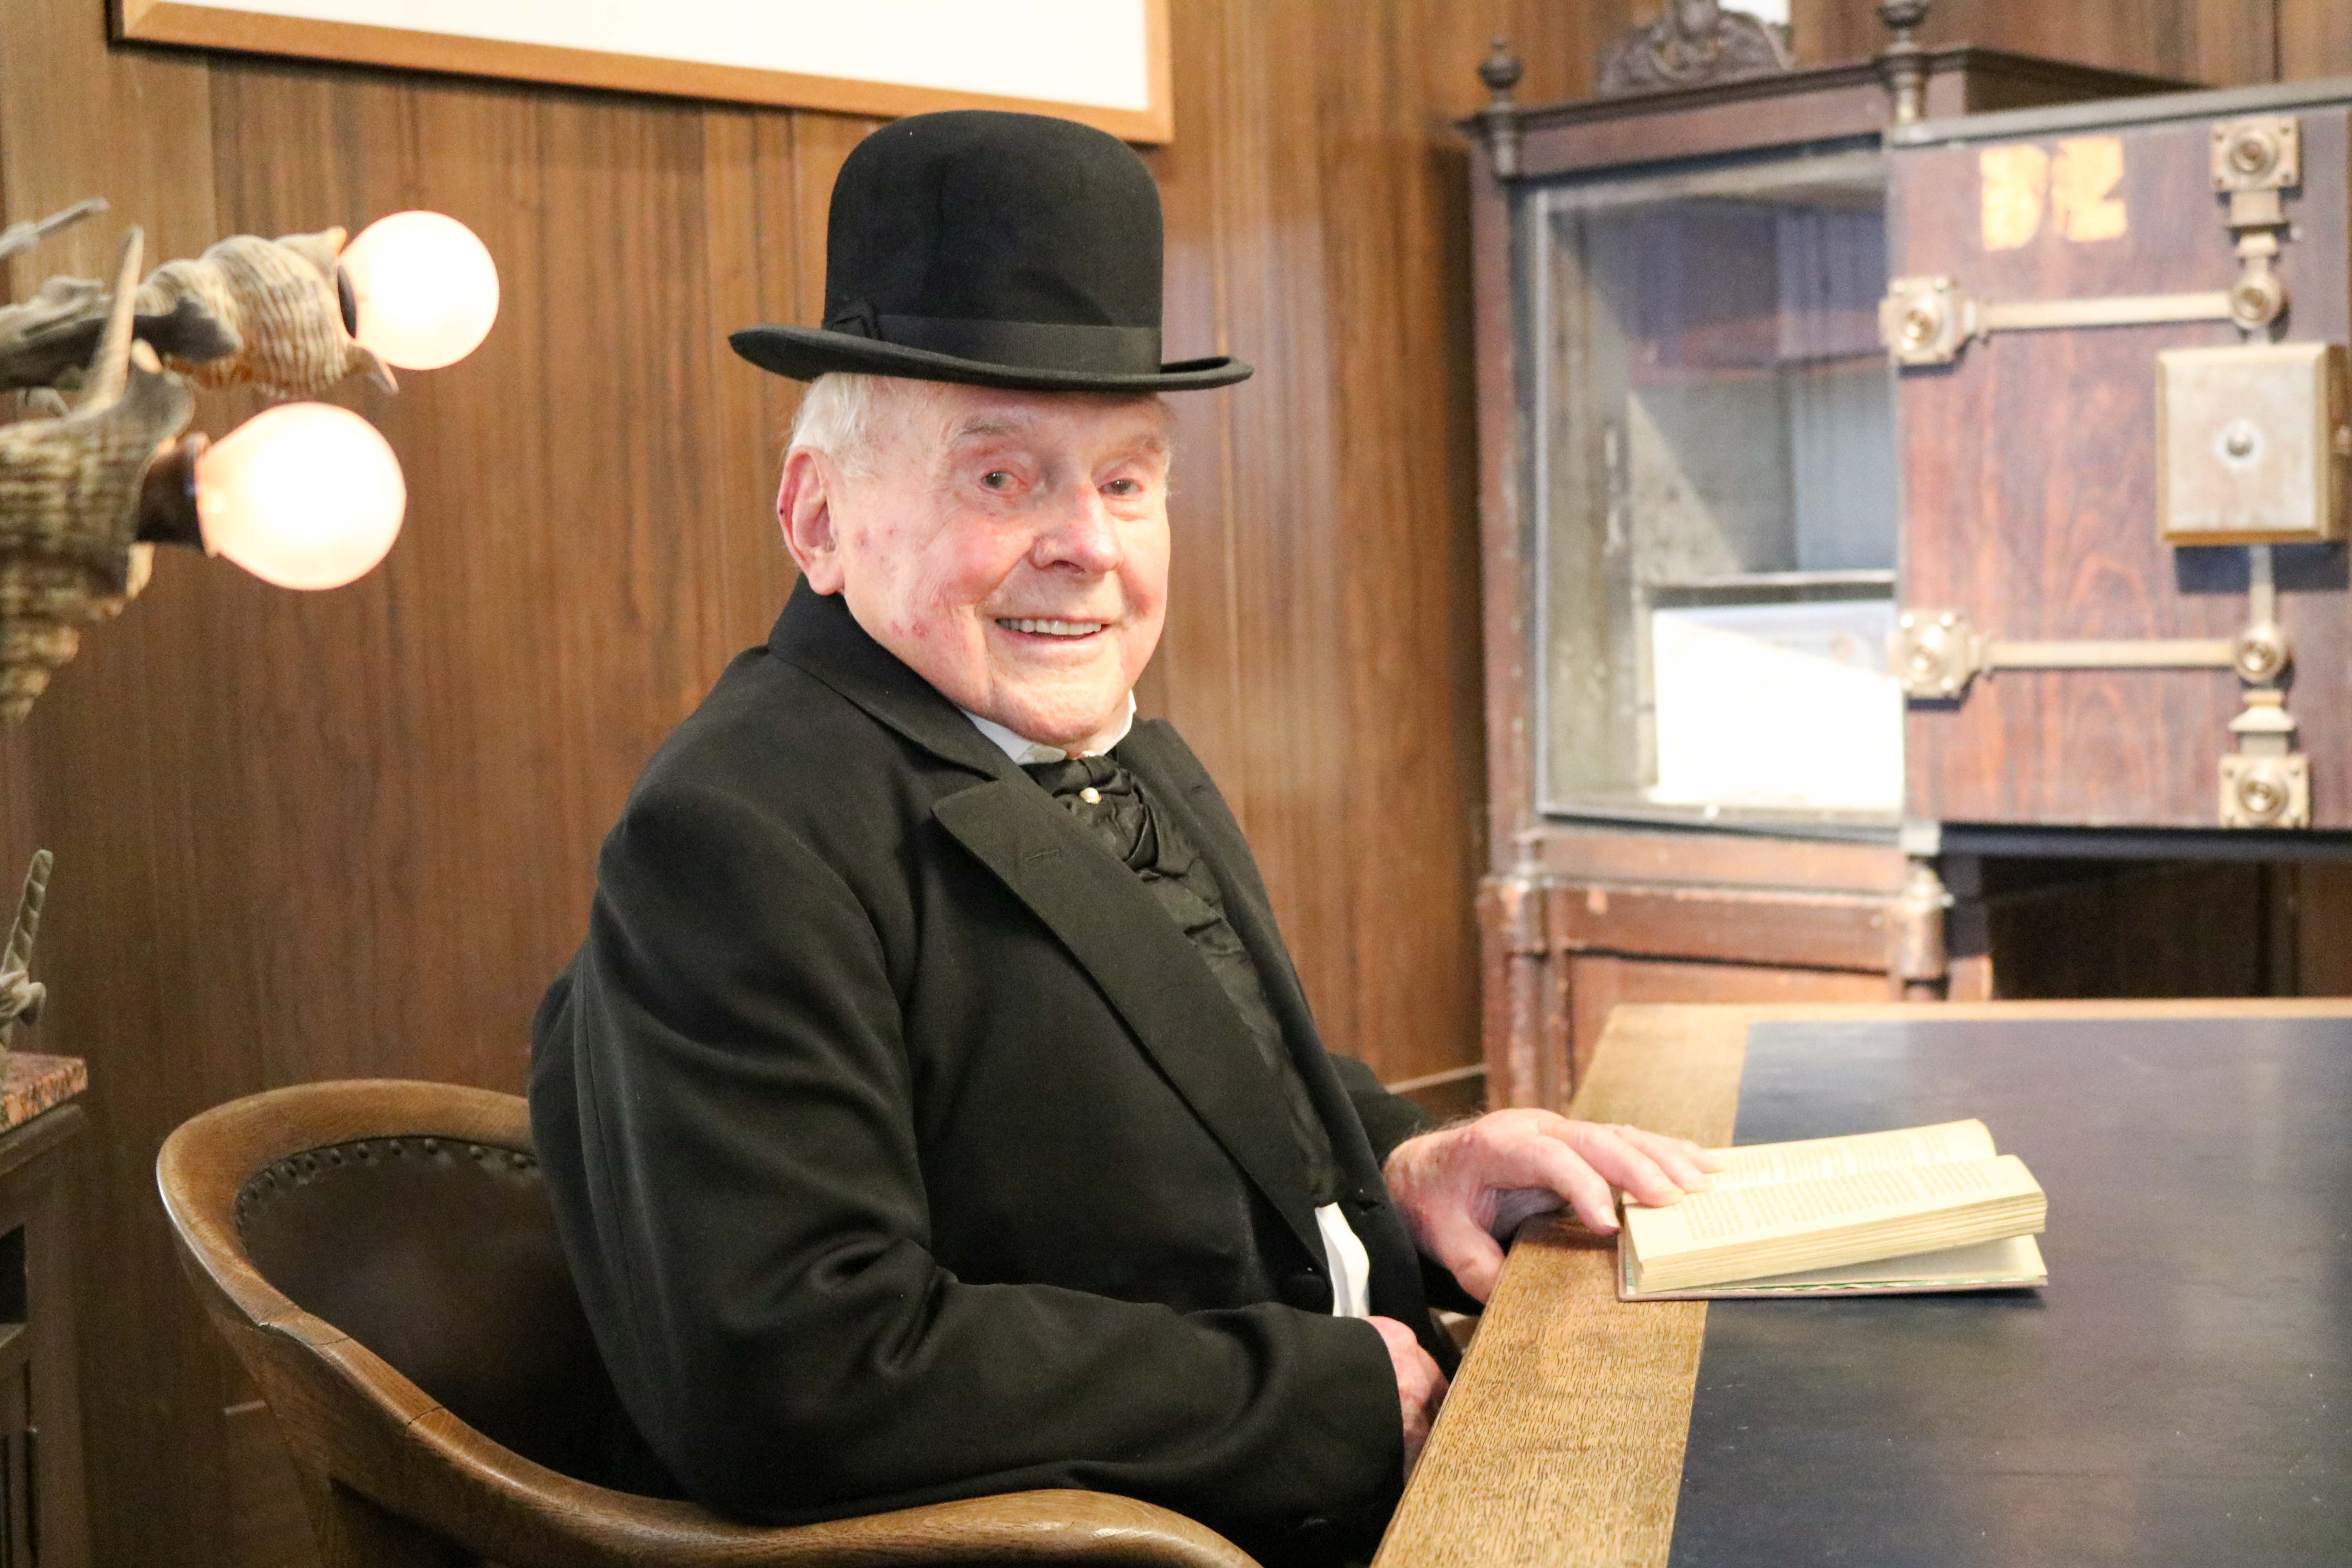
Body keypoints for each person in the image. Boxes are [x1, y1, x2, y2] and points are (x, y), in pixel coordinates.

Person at [529, 109, 1719, 1567]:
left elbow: (1205, 1092)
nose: (1087, 545)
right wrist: (1318, 1399)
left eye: (1126, 480)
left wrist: (1416, 1164)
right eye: (1002, 477)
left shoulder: (1097, 729)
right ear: (818, 517)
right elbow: (796, 1370)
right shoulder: (733, 831)